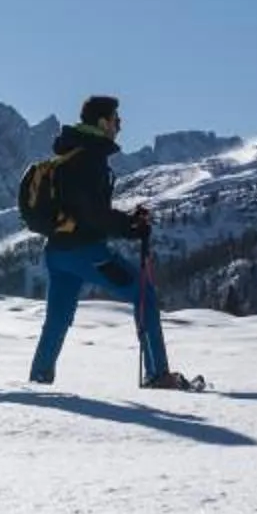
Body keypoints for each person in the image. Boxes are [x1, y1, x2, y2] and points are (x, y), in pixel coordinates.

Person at [28, 93, 185, 388]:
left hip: (57, 251)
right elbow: (93, 215)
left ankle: (38, 380)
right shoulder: (89, 158)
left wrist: (126, 222)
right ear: (102, 122)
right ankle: (157, 374)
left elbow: (83, 209)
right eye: (116, 120)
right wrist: (131, 226)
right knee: (144, 295)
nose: (120, 125)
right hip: (85, 252)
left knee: (57, 319)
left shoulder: (71, 153)